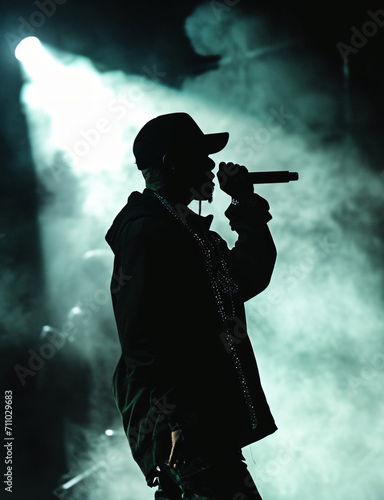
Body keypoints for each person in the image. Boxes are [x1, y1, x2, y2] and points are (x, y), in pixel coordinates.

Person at [105, 113, 278, 499]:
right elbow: (140, 338)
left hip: (202, 421)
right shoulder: (146, 230)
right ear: (172, 163)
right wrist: (177, 418)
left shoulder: (184, 229)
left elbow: (248, 275)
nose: (211, 165)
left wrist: (245, 202)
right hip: (183, 424)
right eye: (200, 156)